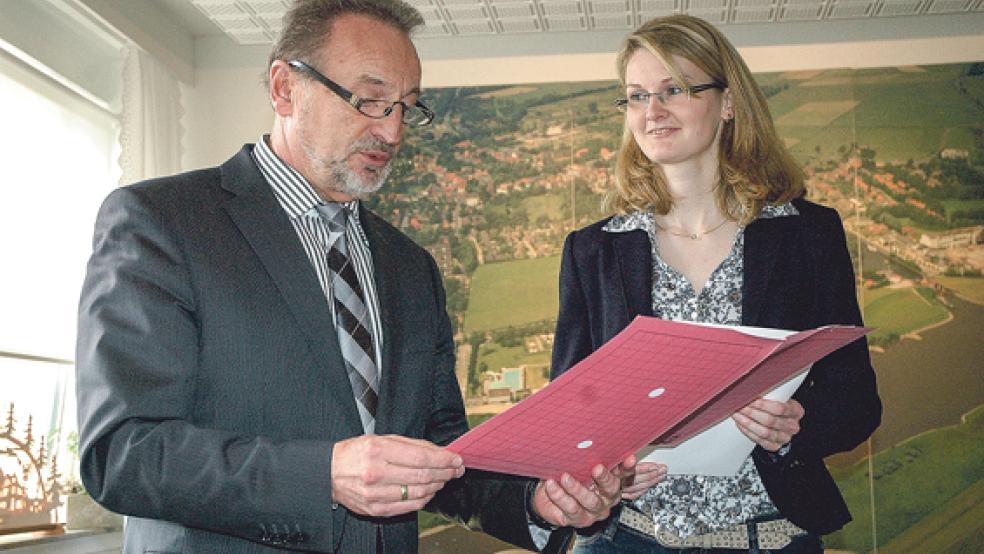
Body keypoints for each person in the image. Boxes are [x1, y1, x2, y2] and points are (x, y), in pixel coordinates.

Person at [75, 1, 642, 552]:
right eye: (370, 101)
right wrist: (322, 474)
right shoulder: (162, 221)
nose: (392, 133)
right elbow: (123, 453)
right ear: (284, 87)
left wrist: (536, 503)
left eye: (406, 108)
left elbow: (442, 450)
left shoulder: (410, 267)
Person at [549, 14, 882, 554]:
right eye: (636, 96)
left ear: (728, 103)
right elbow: (572, 413)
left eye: (674, 89)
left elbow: (858, 402)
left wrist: (798, 425)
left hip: (769, 538)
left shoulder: (806, 235)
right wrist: (604, 472)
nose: (652, 111)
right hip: (626, 541)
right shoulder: (594, 250)